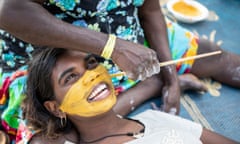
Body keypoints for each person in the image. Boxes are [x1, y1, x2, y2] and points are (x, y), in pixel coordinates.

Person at [0, 0, 240, 142]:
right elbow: (9, 10)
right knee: (54, 132)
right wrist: (111, 48)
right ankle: (148, 86)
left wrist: (171, 80)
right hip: (48, 60)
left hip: (129, 38)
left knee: (217, 58)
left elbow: (150, 11)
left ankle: (153, 81)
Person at [20, 47, 239, 144]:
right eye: (70, 78)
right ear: (56, 108)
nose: (92, 76)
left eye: (92, 63)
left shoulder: (156, 120)